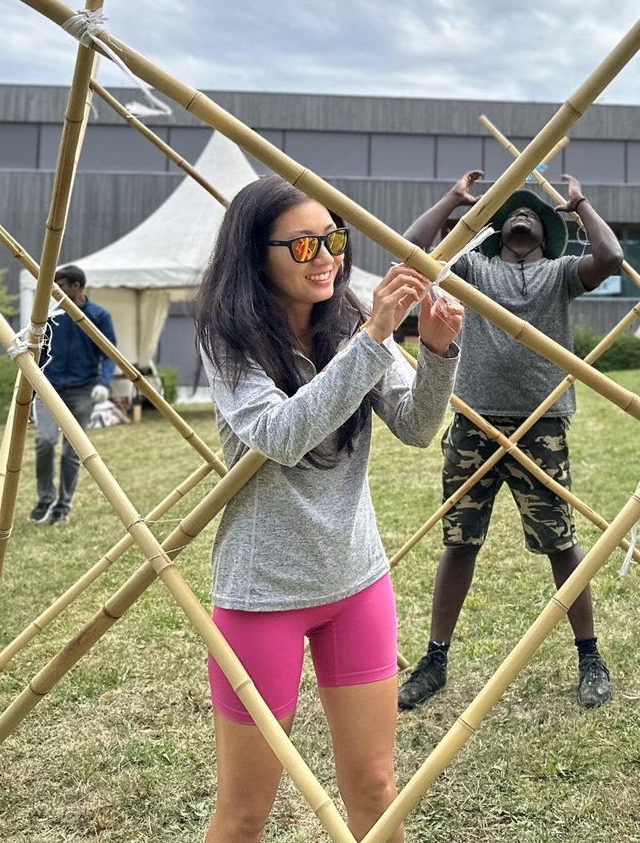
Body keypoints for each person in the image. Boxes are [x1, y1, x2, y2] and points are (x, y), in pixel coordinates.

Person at [195, 176, 462, 843]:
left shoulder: (349, 324)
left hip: (356, 581)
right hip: (263, 595)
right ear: (256, 254)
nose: (326, 258)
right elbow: (282, 435)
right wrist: (373, 338)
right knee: (245, 813)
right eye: (303, 244)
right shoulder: (229, 340)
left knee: (375, 787)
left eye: (334, 240)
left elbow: (415, 425)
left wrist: (436, 353)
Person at [397, 169, 624, 711]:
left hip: (541, 423)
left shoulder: (561, 273)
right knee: (459, 540)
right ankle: (435, 659)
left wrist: (581, 205)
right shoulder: (473, 268)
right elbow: (410, 252)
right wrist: (452, 203)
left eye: (534, 214)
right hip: (473, 422)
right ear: (496, 230)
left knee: (560, 542)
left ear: (547, 233)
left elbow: (611, 258)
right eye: (512, 212)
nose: (522, 214)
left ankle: (590, 655)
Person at [30, 264, 116, 526]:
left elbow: (109, 353)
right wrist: (31, 392)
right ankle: (45, 499)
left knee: (72, 451)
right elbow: (38, 354)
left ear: (76, 287)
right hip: (49, 388)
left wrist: (104, 383)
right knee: (45, 442)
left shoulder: (99, 316)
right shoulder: (51, 316)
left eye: (60, 286)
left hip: (82, 390)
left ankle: (63, 506)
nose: (54, 292)